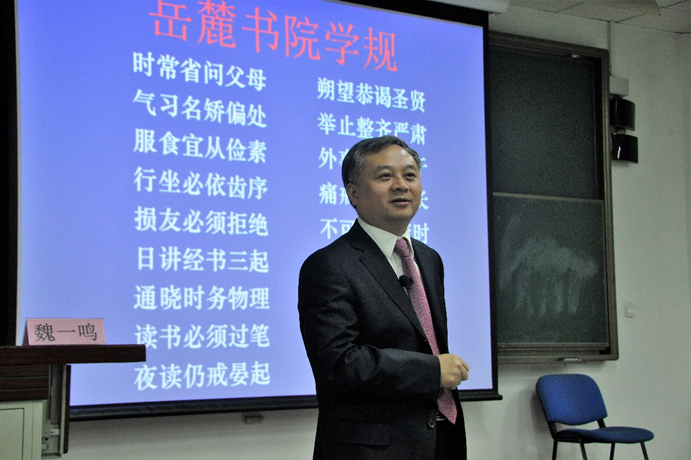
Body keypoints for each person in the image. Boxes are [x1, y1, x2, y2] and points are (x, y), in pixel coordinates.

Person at [298, 136, 469, 460]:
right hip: (372, 449)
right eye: (385, 176)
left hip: (442, 439)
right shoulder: (329, 265)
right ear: (353, 193)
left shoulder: (429, 259)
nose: (401, 185)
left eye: (410, 175)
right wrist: (431, 371)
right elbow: (340, 364)